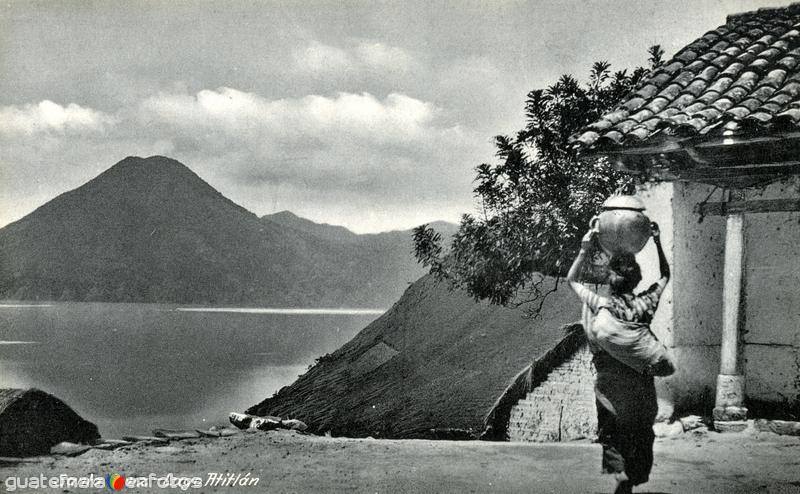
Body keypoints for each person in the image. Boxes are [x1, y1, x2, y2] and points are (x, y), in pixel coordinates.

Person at [566, 222, 672, 494]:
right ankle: (634, 474)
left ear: (610, 278)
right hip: (640, 378)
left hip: (609, 378)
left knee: (612, 427)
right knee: (641, 427)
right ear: (636, 280)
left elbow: (572, 280)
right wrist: (657, 242)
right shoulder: (645, 304)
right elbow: (665, 275)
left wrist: (584, 248)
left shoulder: (601, 305)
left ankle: (620, 470)